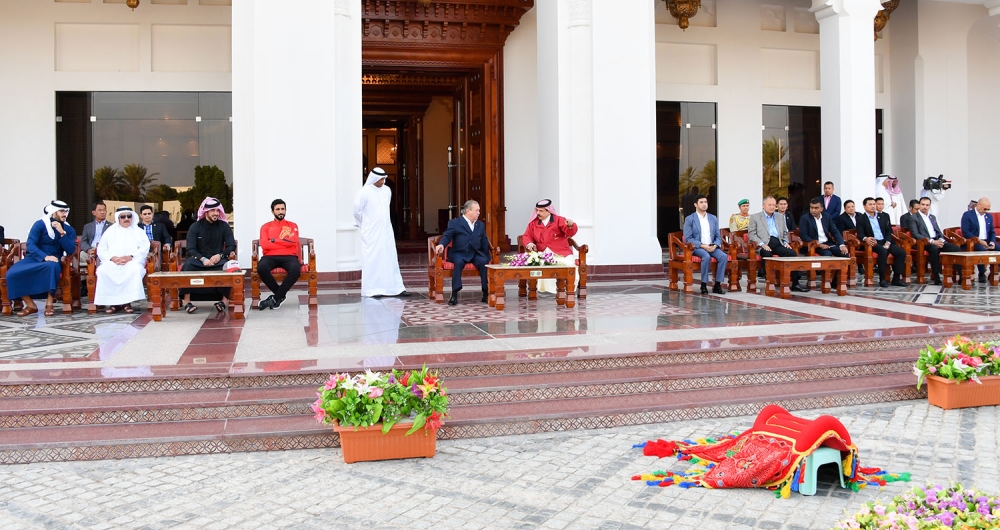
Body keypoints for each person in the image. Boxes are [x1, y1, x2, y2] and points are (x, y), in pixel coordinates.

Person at [6, 200, 77, 317]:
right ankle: (30, 305)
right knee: (11, 274)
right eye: (61, 211)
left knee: (52, 266)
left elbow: (70, 250)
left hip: (54, 259)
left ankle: (49, 304)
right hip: (35, 258)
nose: (64, 214)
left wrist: (62, 233)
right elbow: (31, 244)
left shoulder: (68, 230)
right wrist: (45, 256)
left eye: (66, 211)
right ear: (54, 212)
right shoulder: (39, 224)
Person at [353, 167, 409, 298]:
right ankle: (373, 290)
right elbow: (356, 212)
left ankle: (396, 288)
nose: (383, 181)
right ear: (374, 178)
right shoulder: (364, 192)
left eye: (384, 178)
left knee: (390, 258)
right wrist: (365, 226)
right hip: (371, 232)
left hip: (386, 231)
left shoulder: (387, 191)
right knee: (373, 259)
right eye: (381, 179)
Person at [178, 197, 236, 314]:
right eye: (213, 211)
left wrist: (220, 255)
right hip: (199, 260)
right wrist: (202, 259)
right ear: (206, 211)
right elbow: (190, 249)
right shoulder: (195, 227)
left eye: (217, 211)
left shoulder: (223, 226)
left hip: (217, 260)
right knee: (188, 267)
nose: (215, 213)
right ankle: (187, 302)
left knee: (229, 268)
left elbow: (231, 246)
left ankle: (223, 302)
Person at [94, 206, 150, 314]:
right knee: (103, 270)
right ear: (118, 218)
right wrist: (113, 258)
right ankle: (113, 304)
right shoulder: (110, 231)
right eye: (123, 216)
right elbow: (101, 248)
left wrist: (131, 257)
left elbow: (144, 248)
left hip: (132, 261)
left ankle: (127, 303)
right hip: (112, 262)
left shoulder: (138, 231)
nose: (126, 218)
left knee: (135, 270)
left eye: (129, 216)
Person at [435, 200, 492, 305]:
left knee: (483, 262)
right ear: (468, 211)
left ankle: (485, 292)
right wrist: (442, 244)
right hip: (459, 253)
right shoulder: (455, 223)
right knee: (458, 262)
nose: (479, 213)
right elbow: (447, 236)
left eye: (479, 210)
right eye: (476, 210)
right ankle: (454, 294)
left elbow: (484, 241)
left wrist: (487, 256)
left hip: (475, 253)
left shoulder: (480, 225)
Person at [748, 196, 809, 292]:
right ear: (763, 205)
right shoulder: (755, 217)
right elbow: (752, 234)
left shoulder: (780, 217)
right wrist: (762, 244)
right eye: (769, 205)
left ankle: (795, 283)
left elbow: (785, 232)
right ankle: (769, 281)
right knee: (767, 254)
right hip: (764, 244)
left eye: (773, 205)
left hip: (778, 243)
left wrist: (785, 242)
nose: (772, 207)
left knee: (792, 253)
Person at [521, 198, 578, 294]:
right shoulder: (533, 223)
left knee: (568, 265)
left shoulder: (559, 220)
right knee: (544, 264)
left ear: (549, 211)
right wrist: (530, 244)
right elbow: (526, 236)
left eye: (541, 211)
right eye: (537, 210)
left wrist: (571, 225)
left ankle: (568, 289)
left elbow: (570, 232)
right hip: (543, 252)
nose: (538, 213)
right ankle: (549, 290)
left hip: (561, 252)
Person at [257, 199, 301, 310]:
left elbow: (294, 241)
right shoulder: (265, 227)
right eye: (277, 209)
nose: (280, 211)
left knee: (296, 270)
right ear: (272, 211)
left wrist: (273, 240)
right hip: (270, 256)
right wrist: (283, 242)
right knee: (261, 267)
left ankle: (275, 298)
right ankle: (279, 296)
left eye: (282, 209)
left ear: (285, 210)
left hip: (289, 256)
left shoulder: (292, 225)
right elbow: (265, 245)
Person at [907, 197, 961, 285]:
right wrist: (932, 241)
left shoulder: (932, 217)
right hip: (924, 242)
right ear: (919, 205)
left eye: (927, 205)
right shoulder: (913, 218)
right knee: (934, 249)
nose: (925, 207)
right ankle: (936, 276)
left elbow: (938, 231)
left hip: (937, 241)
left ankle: (961, 275)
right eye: (923, 204)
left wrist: (940, 240)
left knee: (956, 249)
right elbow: (916, 234)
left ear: (930, 206)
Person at [856, 197, 907, 288]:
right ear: (864, 206)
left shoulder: (882, 216)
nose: (873, 206)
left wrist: (888, 242)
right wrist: (866, 238)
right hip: (873, 242)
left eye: (873, 204)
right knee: (883, 251)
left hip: (884, 241)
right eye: (870, 204)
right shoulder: (861, 218)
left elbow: (888, 231)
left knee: (901, 252)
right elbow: (860, 234)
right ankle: (882, 278)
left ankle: (896, 278)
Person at [683, 194, 728, 295]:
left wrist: (715, 245)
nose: (704, 204)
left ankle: (717, 284)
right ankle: (703, 284)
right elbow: (688, 238)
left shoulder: (713, 218)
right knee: (706, 256)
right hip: (698, 247)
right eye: (701, 202)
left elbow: (718, 236)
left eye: (705, 202)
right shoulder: (690, 219)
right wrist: (703, 246)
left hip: (712, 246)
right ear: (696, 204)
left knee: (723, 256)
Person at [798, 197, 848, 287]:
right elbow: (803, 235)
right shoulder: (805, 218)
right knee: (827, 254)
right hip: (813, 245)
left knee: (844, 254)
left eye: (816, 208)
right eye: (811, 207)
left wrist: (841, 244)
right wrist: (818, 244)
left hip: (827, 242)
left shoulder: (826, 216)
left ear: (821, 209)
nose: (813, 210)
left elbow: (835, 231)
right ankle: (826, 281)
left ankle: (835, 280)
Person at [960, 196, 996, 283]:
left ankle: (994, 273)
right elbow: (965, 231)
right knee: (981, 249)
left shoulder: (989, 216)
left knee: (998, 248)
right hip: (973, 241)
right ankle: (982, 273)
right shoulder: (968, 215)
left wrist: (992, 241)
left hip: (986, 241)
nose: (986, 211)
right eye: (985, 208)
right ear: (978, 205)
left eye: (988, 209)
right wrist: (978, 240)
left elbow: (992, 231)